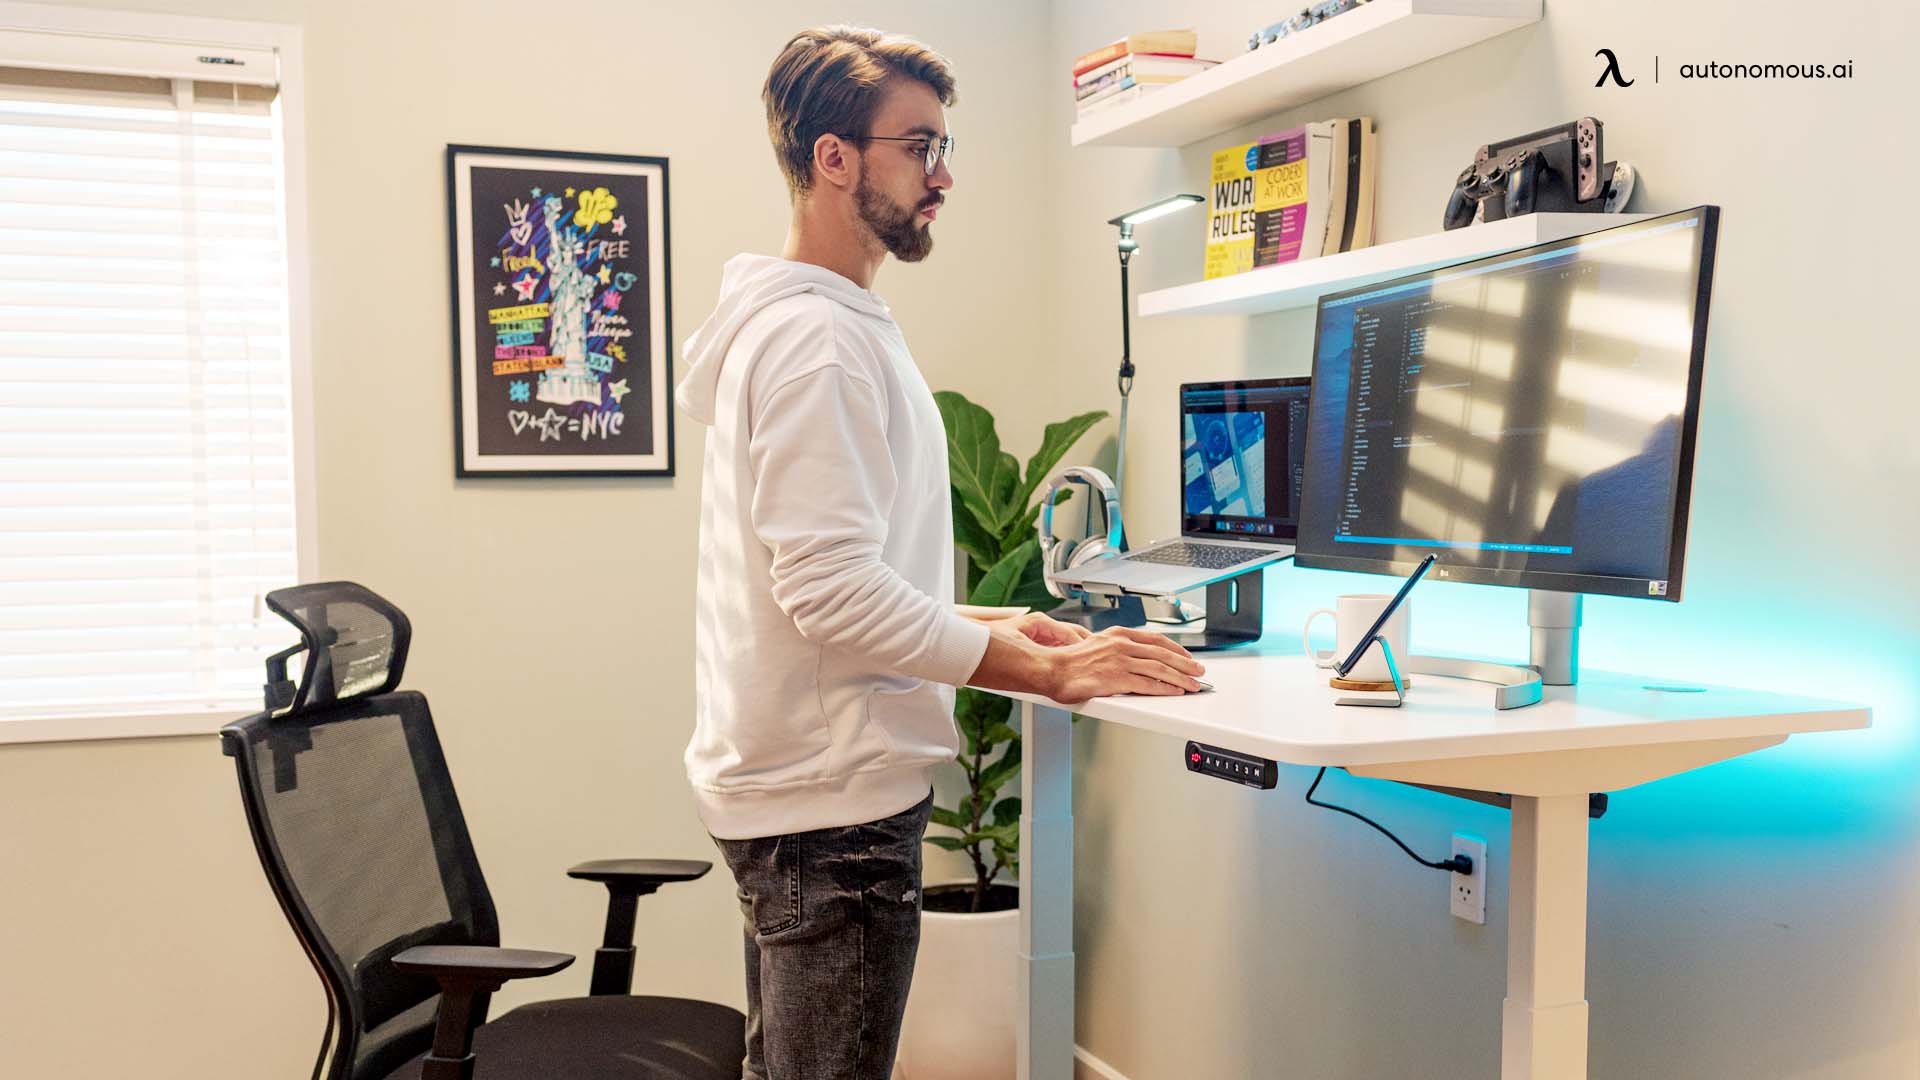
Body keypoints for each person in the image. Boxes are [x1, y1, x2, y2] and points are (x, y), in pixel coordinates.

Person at [673, 25, 1207, 1080]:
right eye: (919, 147)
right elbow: (830, 593)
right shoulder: (818, 341)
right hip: (830, 817)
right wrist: (1045, 672)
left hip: (801, 796)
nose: (944, 176)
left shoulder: (820, 322)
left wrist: (1006, 625)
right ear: (834, 158)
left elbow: (835, 579)